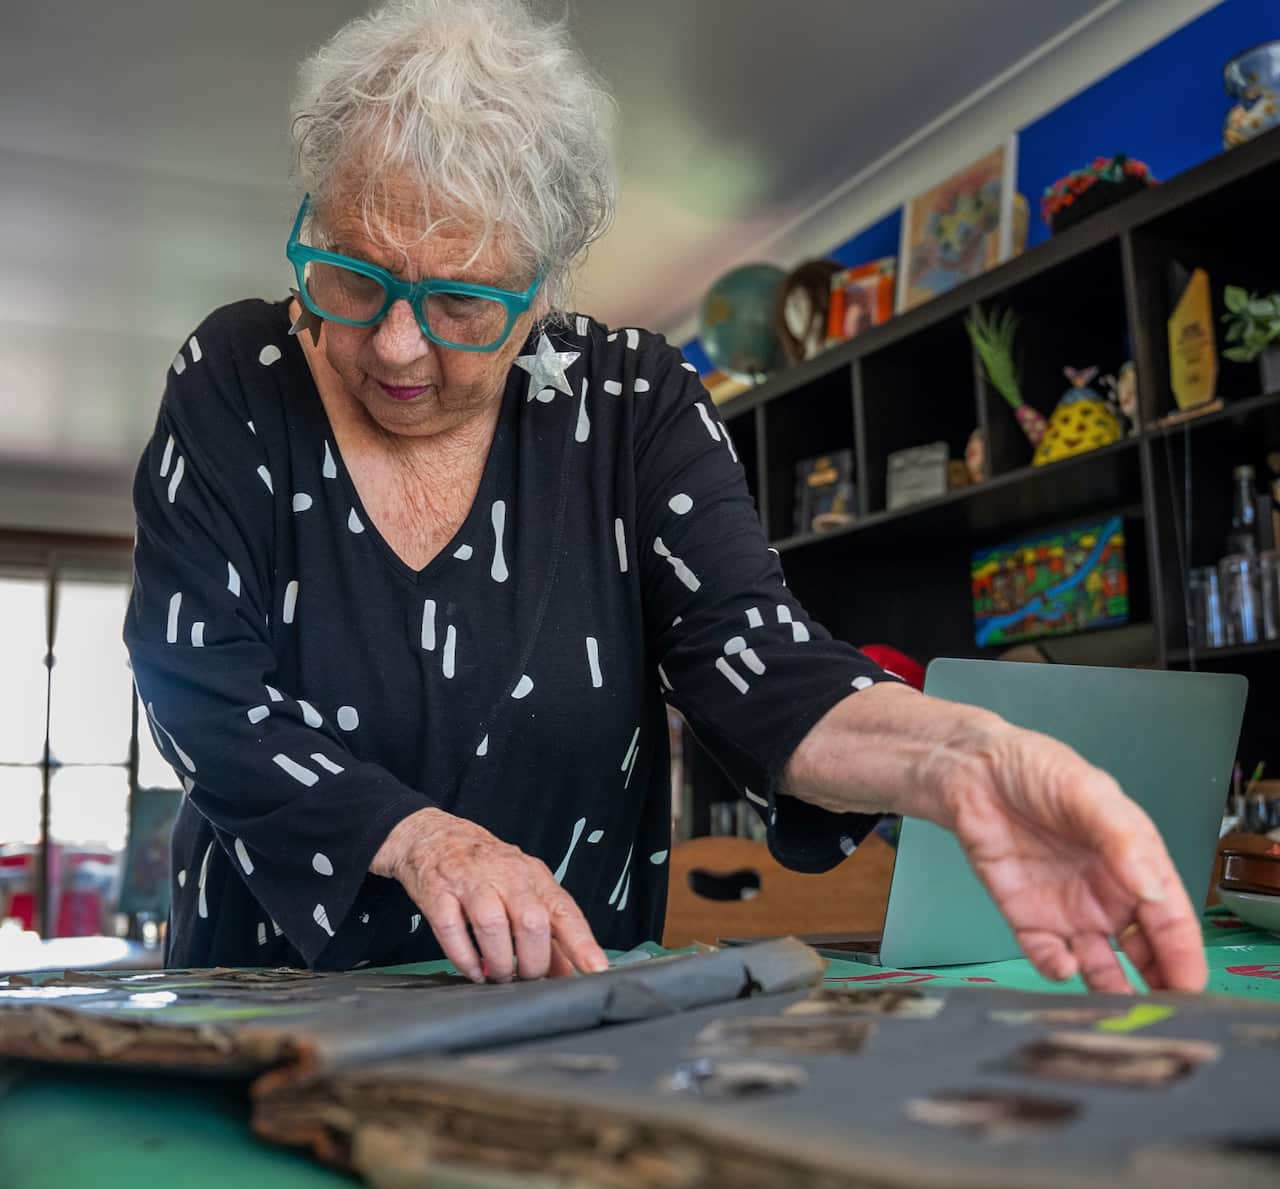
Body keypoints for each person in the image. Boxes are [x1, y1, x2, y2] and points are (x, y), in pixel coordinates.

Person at [124, 0, 1205, 994]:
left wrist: (957, 756)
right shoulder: (239, 375)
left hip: (556, 999)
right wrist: (423, 840)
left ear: (541, 290)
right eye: (355, 277)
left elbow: (757, 661)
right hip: (266, 993)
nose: (396, 345)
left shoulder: (632, 401)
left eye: (460, 302)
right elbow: (194, 682)